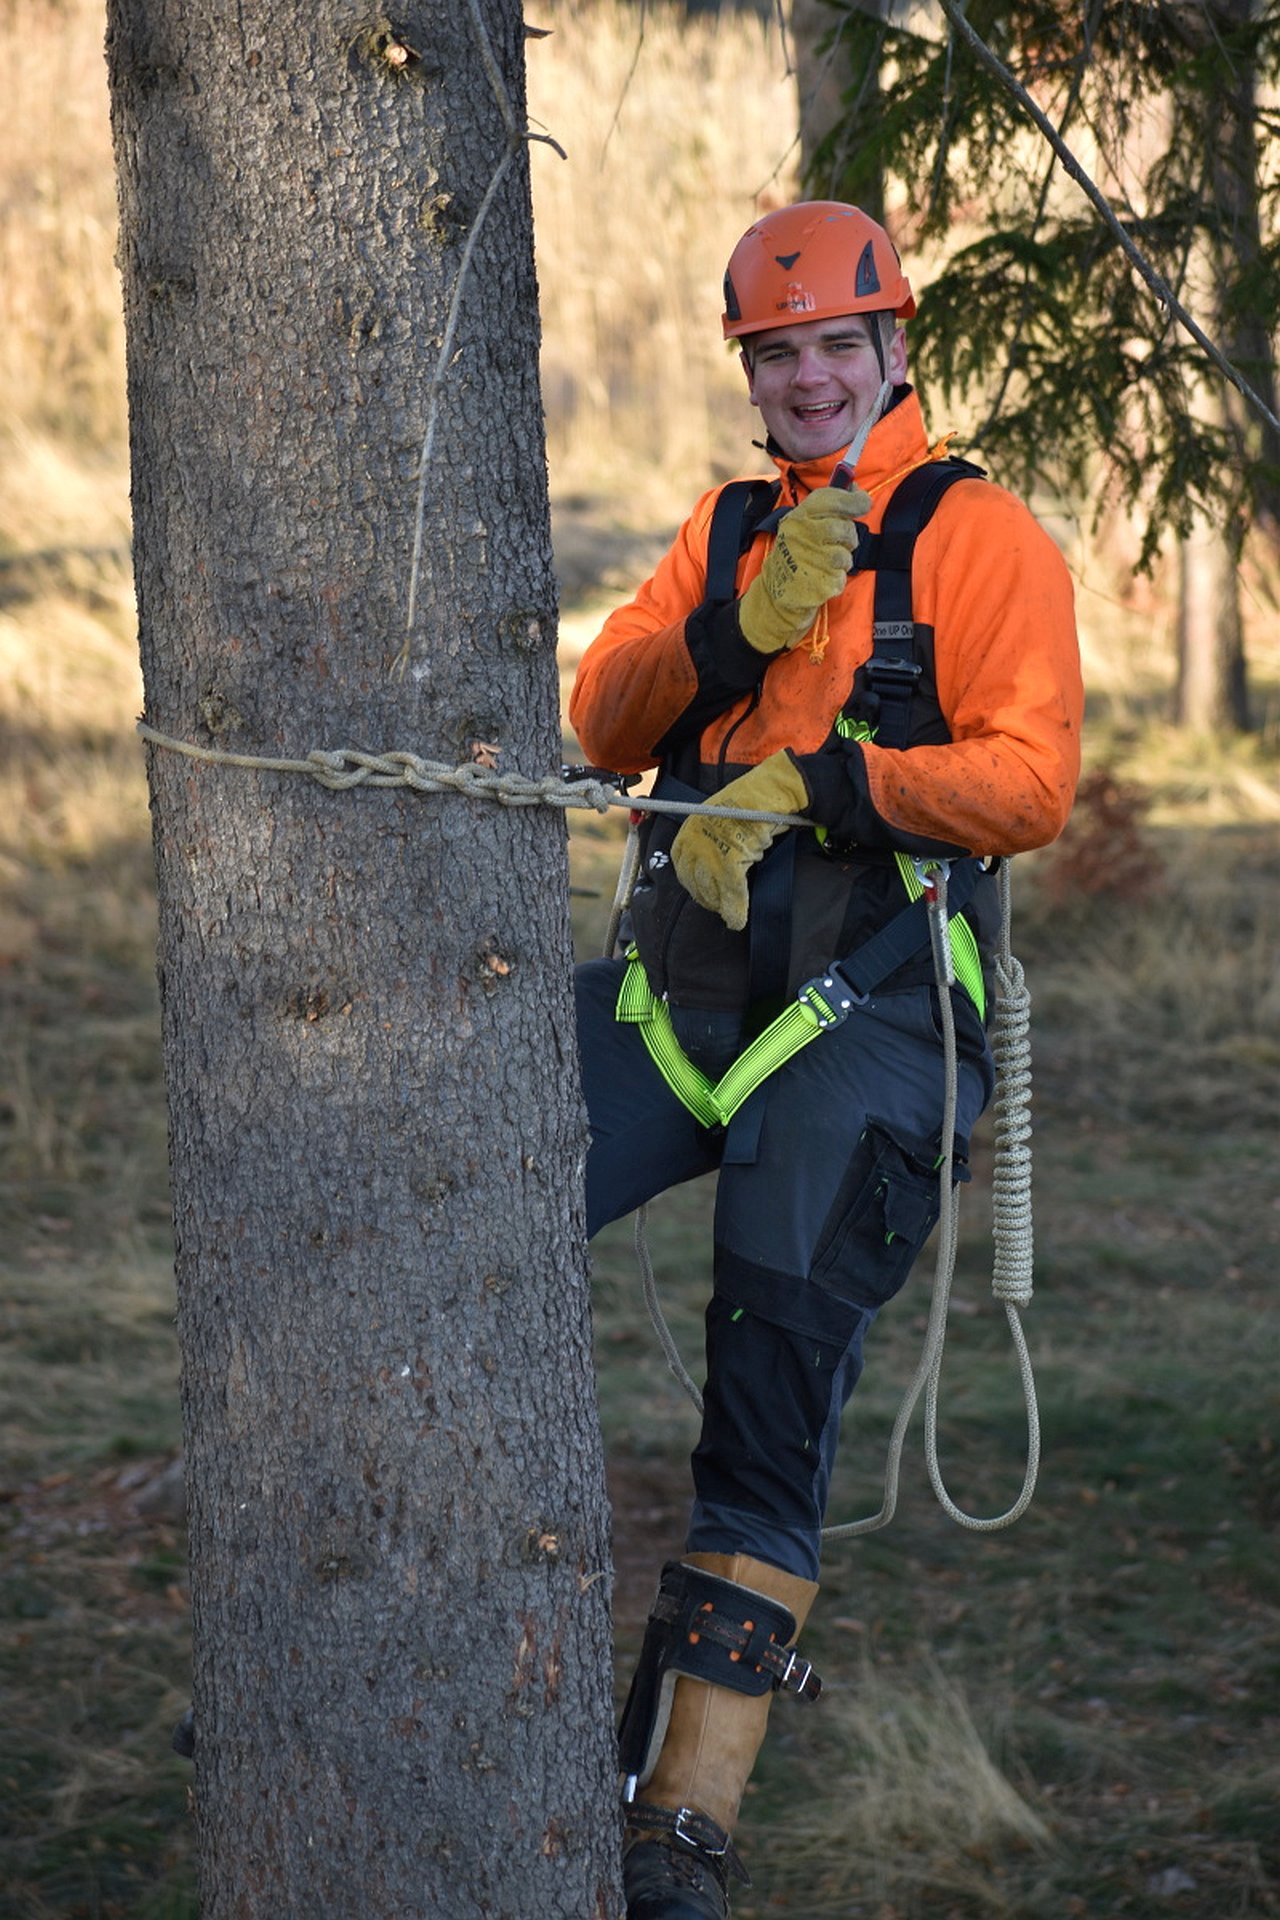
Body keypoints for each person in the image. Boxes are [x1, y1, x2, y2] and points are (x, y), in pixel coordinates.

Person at [569, 201, 1083, 1920]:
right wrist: (728, 639)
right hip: (682, 998)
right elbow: (601, 716)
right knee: (450, 1187)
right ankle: (386, 1640)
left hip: (874, 1009)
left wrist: (833, 784)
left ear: (892, 347)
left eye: (833, 348)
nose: (805, 380)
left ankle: (680, 1827)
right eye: (775, 355)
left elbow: (1031, 782)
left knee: (768, 1409)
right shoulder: (727, 531)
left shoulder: (975, 535)